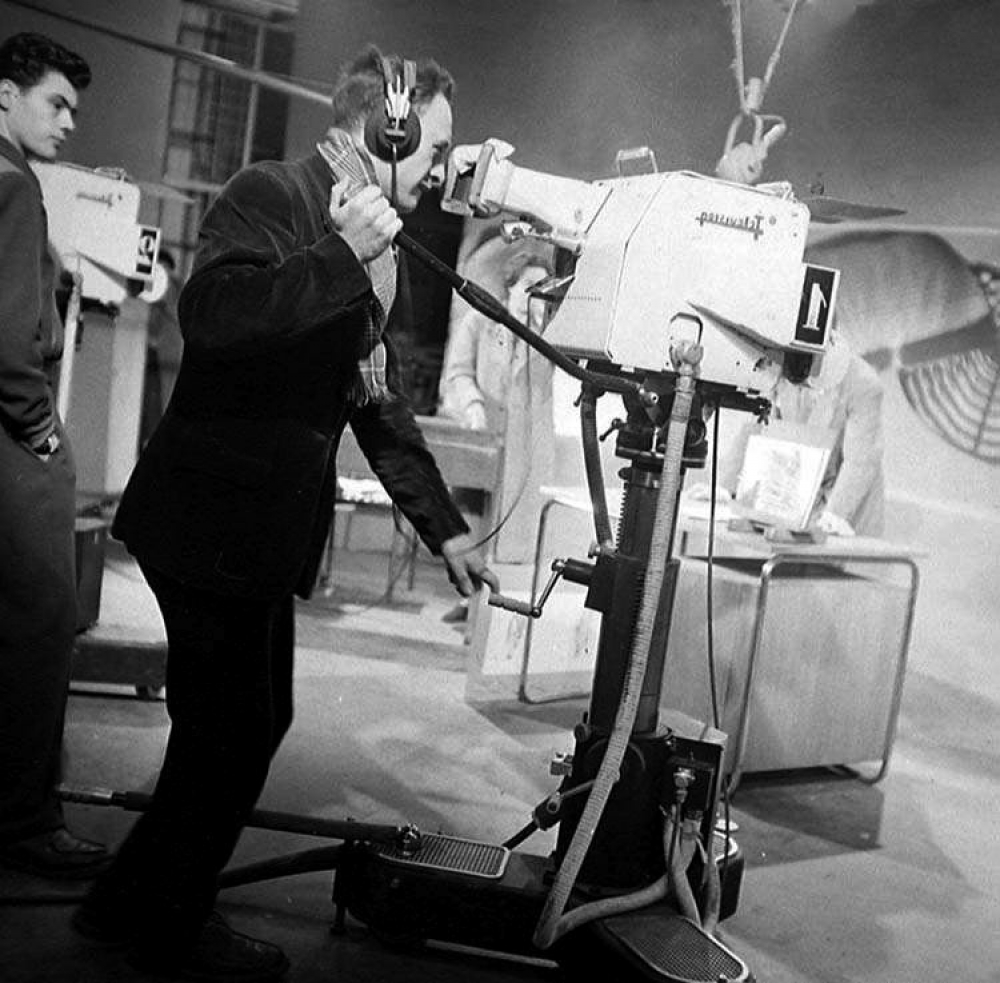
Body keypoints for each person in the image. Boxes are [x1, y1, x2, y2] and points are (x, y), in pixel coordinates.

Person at [74, 45, 498, 982]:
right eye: (432, 149)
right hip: (207, 525)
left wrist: (446, 526)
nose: (439, 173)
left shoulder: (377, 244)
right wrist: (341, 253)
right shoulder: (275, 192)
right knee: (229, 739)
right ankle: (167, 931)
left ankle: (122, 905)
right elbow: (216, 314)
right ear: (387, 127)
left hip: (255, 538)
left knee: (242, 730)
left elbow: (374, 403)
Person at [0, 32, 111, 879]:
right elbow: (10, 339)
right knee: (43, 625)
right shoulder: (14, 186)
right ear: (5, 95)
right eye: (56, 103)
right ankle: (25, 821)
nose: (69, 122)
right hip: (14, 439)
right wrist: (41, 431)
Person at [438, 239, 555, 626]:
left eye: (542, 291)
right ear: (510, 288)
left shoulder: (549, 337)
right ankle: (470, 600)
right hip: (483, 437)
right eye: (528, 288)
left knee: (516, 532)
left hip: (524, 446)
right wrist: (472, 405)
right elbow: (457, 373)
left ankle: (497, 611)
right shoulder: (480, 322)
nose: (534, 298)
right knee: (473, 521)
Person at [697, 327, 886, 537]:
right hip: (797, 497)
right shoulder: (787, 364)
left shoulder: (863, 383)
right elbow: (756, 424)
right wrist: (724, 487)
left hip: (846, 506)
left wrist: (835, 515)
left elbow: (860, 460)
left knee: (826, 546)